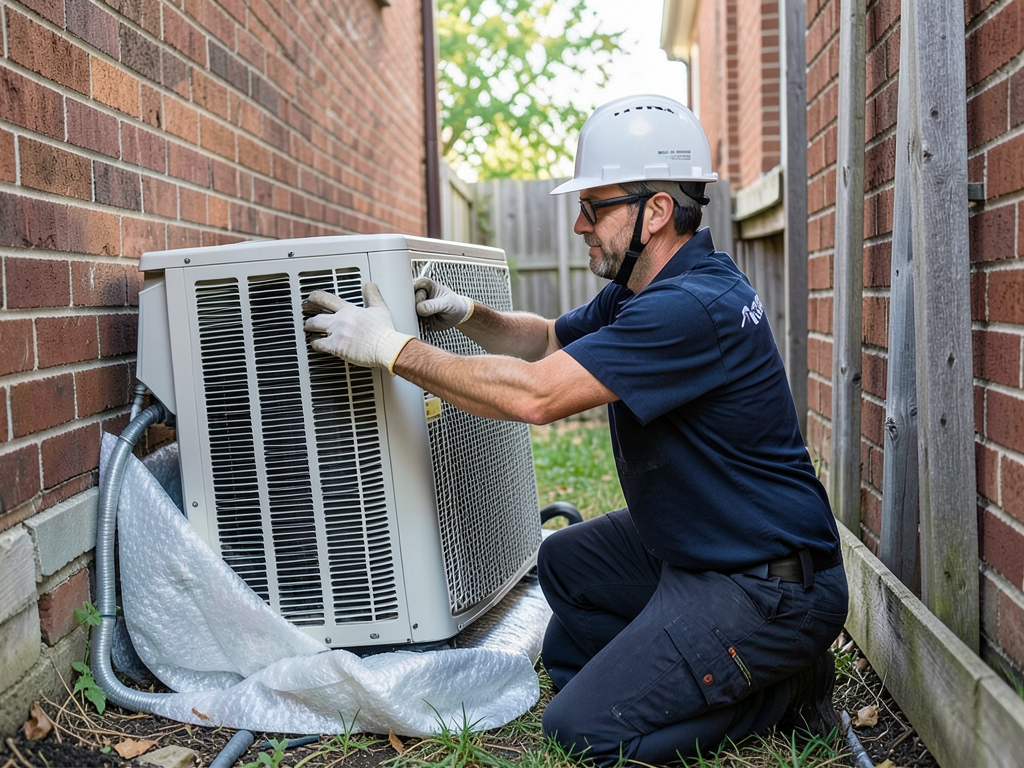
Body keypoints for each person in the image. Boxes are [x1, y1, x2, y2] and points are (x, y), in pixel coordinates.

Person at [303, 94, 848, 763]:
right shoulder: (649, 286)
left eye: (595, 206)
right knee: (563, 563)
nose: (579, 224)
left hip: (766, 587)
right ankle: (678, 662)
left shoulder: (688, 308)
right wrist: (464, 312)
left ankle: (780, 691)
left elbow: (534, 396)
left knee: (582, 731)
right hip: (706, 544)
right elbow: (546, 340)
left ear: (654, 211)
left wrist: (392, 350)